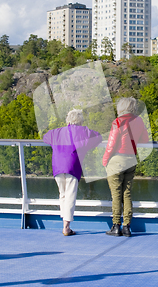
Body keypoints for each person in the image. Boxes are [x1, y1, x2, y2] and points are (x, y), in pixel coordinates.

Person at [43, 109, 102, 236]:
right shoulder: (83, 131)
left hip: (57, 166)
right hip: (73, 166)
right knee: (70, 195)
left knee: (63, 194)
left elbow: (45, 137)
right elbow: (98, 137)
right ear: (80, 120)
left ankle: (64, 222)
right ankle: (66, 226)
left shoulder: (57, 132)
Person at [103, 97, 149, 237]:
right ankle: (126, 226)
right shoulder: (139, 121)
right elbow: (145, 139)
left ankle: (115, 225)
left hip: (116, 160)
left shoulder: (118, 122)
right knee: (127, 193)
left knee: (116, 194)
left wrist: (105, 160)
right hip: (131, 159)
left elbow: (111, 144)